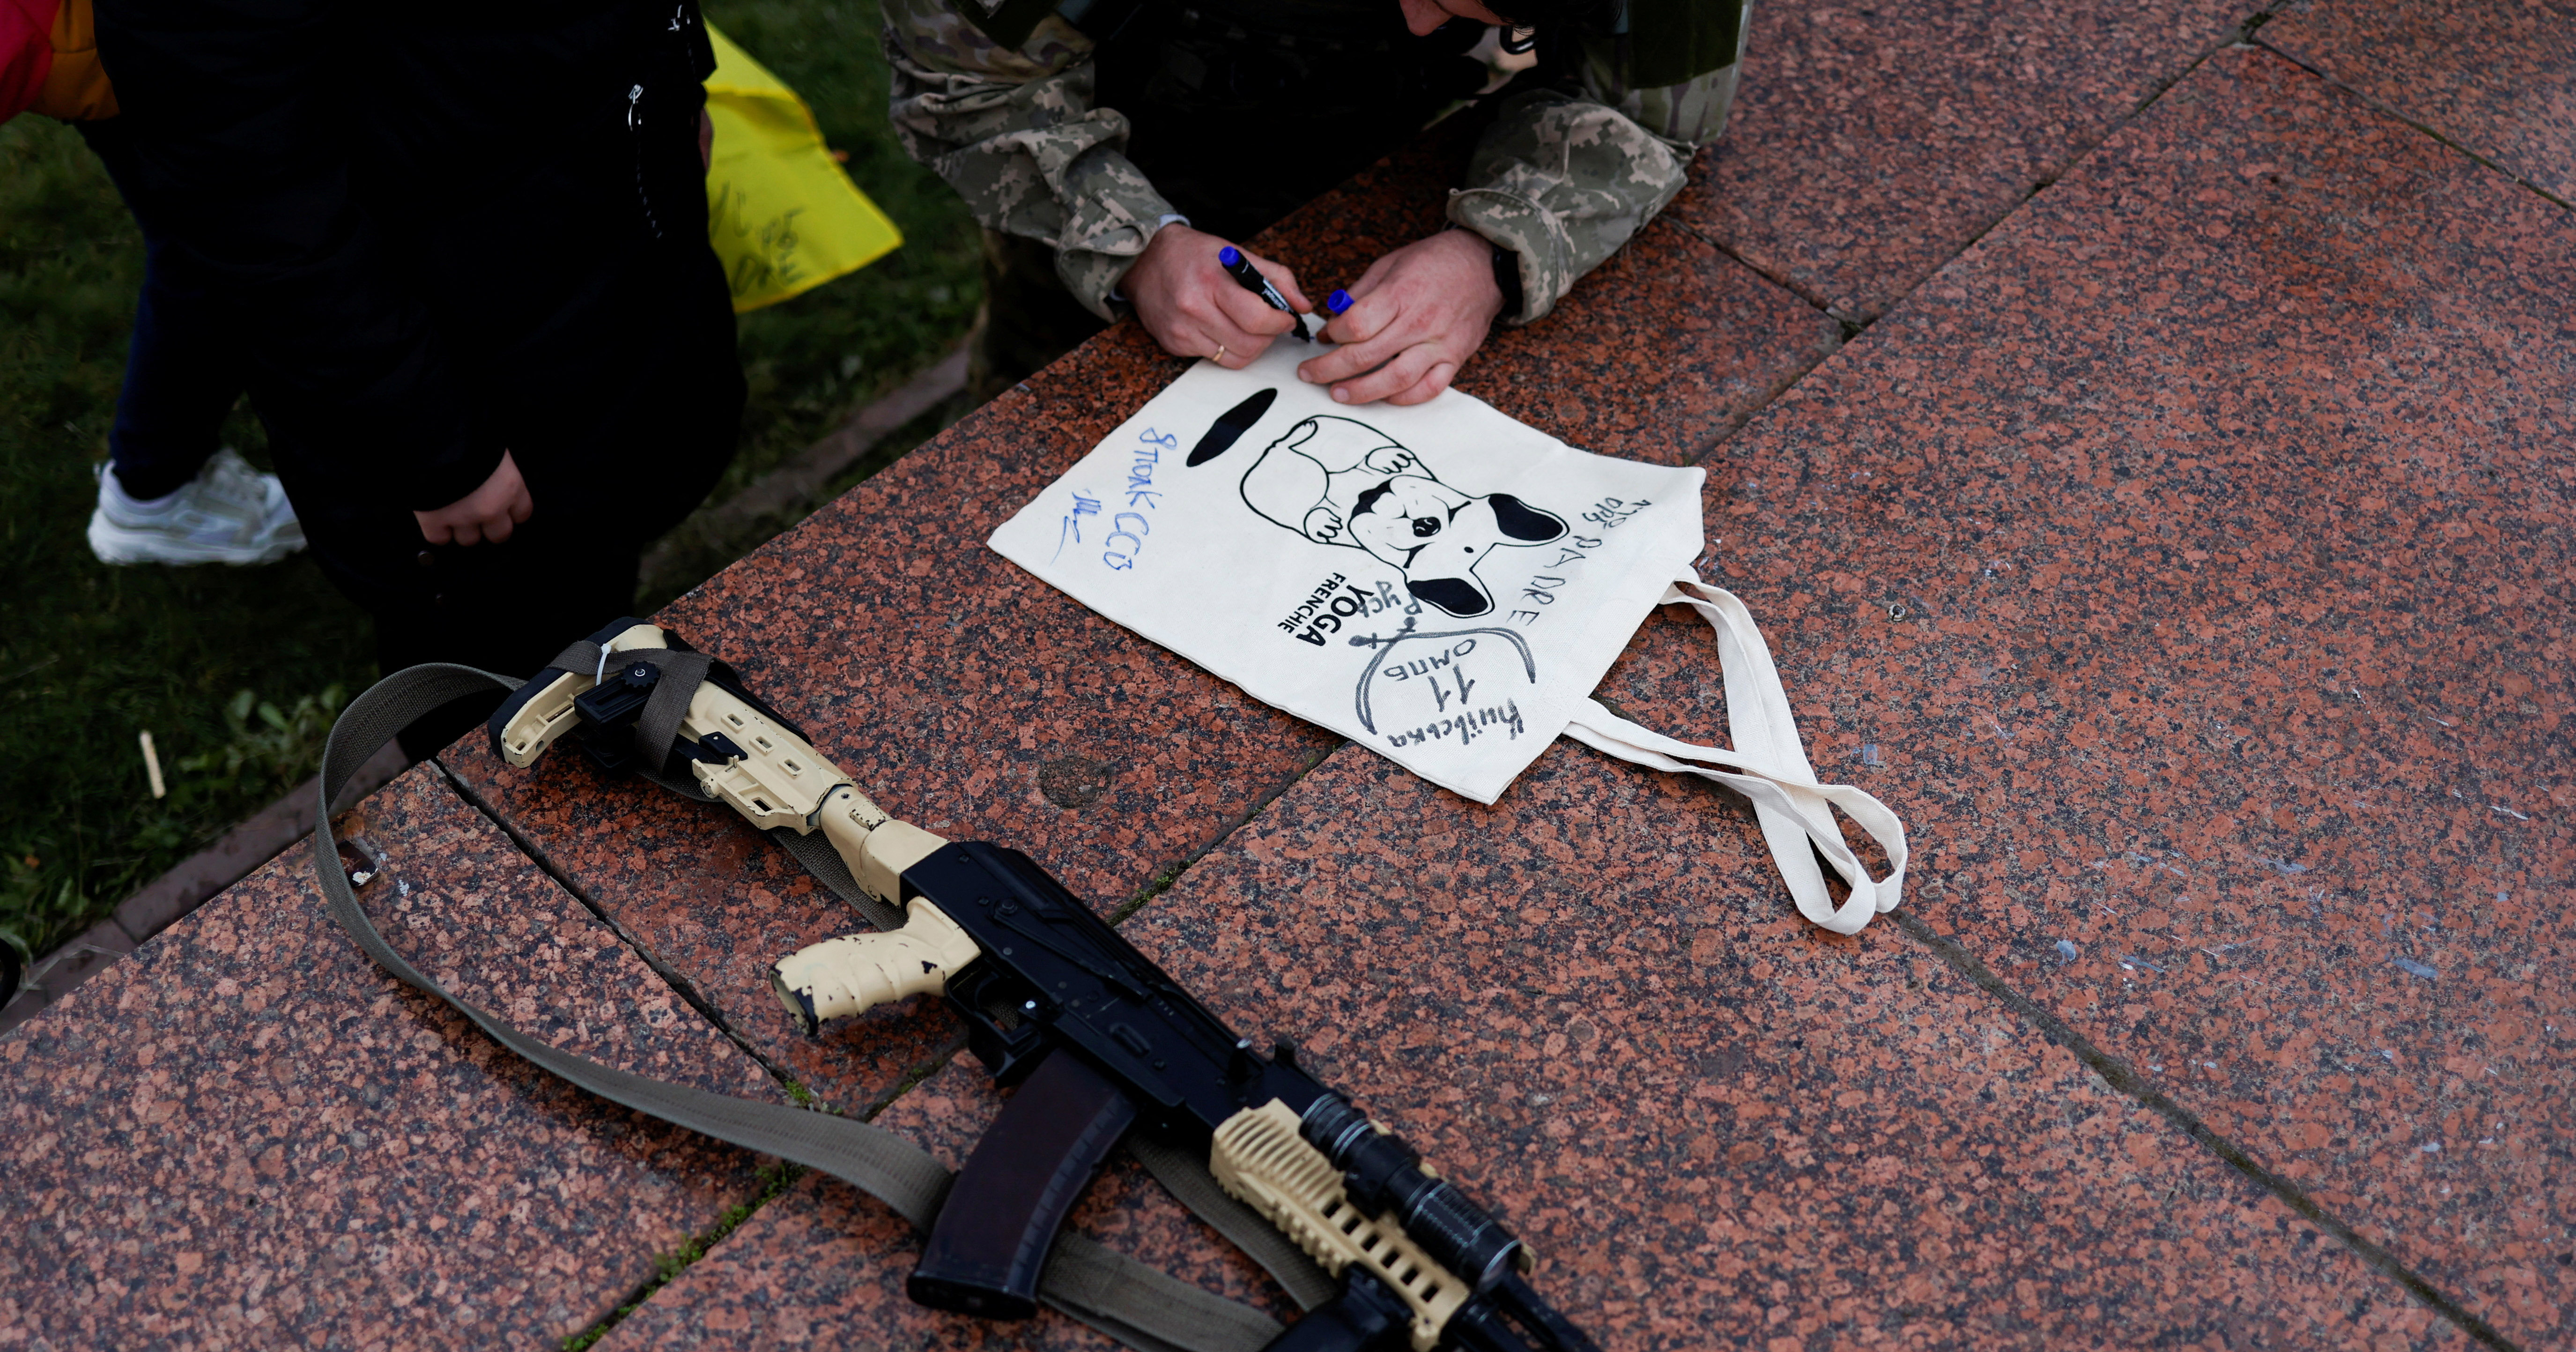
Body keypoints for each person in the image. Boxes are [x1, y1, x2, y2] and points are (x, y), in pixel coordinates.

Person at [91, 0, 747, 756]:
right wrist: (433, 446)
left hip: (594, 279)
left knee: (594, 566)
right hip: (462, 393)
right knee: (486, 689)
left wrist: (678, 75)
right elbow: (259, 212)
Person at [884, 0, 1747, 404]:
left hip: (1382, 140)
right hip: (1096, 132)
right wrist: (1135, 245)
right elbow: (972, 92)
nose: (1421, 23)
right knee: (1042, 408)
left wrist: (1493, 249)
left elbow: (1645, 107)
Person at [2, 0, 301, 565]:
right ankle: (156, 487)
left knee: (212, 246)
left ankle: (158, 477)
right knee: (223, 251)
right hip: (141, 40)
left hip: (135, 37)